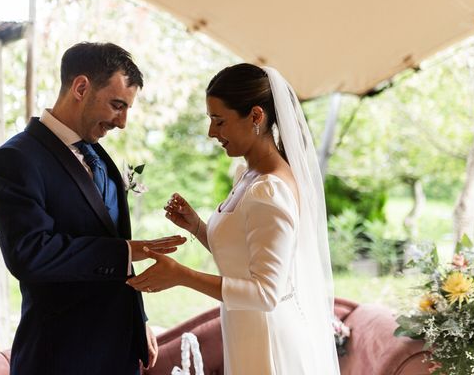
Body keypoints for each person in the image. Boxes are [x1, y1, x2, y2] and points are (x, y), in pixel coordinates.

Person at [0, 42, 186, 375]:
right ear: (81, 87)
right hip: (60, 357)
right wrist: (123, 252)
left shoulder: (101, 158)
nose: (121, 122)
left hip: (119, 353)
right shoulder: (16, 159)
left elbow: (109, 233)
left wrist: (138, 320)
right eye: (117, 105)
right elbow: (29, 253)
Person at [127, 63, 339, 374]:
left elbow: (266, 293)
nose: (212, 133)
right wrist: (198, 227)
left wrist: (181, 275)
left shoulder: (270, 190)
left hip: (270, 340)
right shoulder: (247, 175)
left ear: (255, 116)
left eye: (219, 121)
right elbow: (246, 259)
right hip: (246, 331)